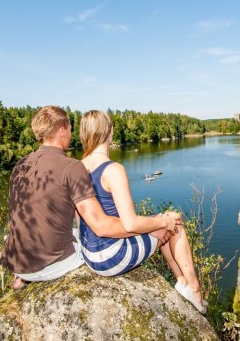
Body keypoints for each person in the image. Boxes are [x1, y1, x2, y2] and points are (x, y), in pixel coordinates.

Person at [0, 106, 176, 290]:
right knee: (91, 248)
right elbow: (101, 226)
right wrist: (148, 227)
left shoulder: (21, 166)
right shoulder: (71, 167)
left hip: (17, 262)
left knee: (74, 232)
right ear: (61, 131)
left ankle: (23, 278)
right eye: (69, 129)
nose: (71, 134)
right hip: (49, 266)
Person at [78, 109, 207, 314]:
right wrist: (163, 222)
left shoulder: (77, 168)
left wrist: (157, 223)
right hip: (112, 257)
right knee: (174, 223)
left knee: (160, 223)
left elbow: (80, 220)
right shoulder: (113, 170)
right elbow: (130, 224)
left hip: (90, 255)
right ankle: (194, 289)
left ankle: (182, 283)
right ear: (111, 131)